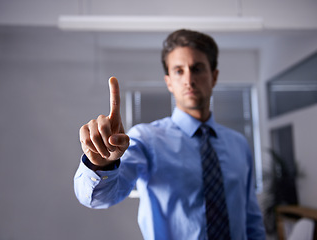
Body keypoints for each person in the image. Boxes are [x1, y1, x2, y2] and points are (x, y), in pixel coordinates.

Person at [75, 29, 266, 240]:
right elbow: (99, 199)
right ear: (168, 82)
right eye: (178, 70)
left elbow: (251, 219)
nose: (189, 79)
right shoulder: (146, 139)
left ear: (214, 76)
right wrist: (102, 165)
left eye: (197, 68)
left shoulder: (239, 144)